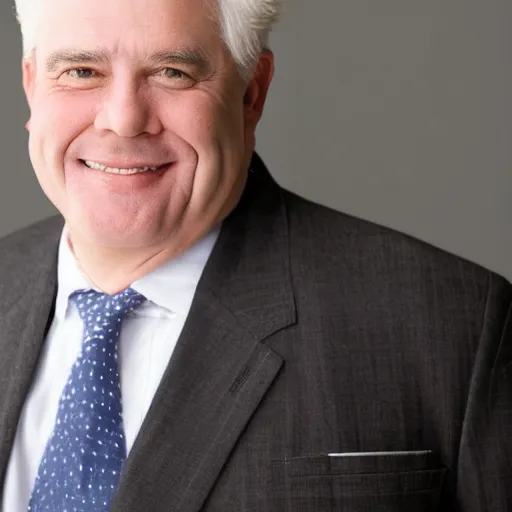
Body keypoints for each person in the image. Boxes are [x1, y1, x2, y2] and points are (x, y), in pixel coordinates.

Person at [0, 0, 510, 510]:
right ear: (31, 86)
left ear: (252, 92)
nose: (123, 119)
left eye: (172, 71)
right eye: (81, 71)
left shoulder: (455, 327)